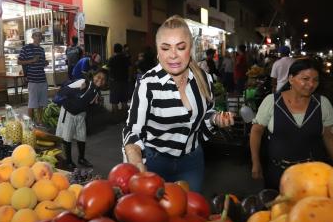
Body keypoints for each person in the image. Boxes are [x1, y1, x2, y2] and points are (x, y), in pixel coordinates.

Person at [122, 15, 234, 191]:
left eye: (180, 47)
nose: (173, 55)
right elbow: (132, 130)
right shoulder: (148, 84)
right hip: (154, 163)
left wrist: (215, 120)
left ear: (190, 49)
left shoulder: (204, 78)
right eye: (166, 48)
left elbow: (207, 113)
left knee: (188, 214)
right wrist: (135, 161)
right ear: (158, 51)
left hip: (192, 162)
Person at [249, 58, 333, 189]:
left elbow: (330, 135)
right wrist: (255, 162)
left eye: (315, 80)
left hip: (314, 176)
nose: (311, 84)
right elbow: (256, 131)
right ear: (291, 79)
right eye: (305, 79)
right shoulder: (272, 102)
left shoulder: (322, 104)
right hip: (278, 174)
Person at [56, 69, 108, 170]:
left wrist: (96, 105)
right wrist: (78, 90)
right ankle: (69, 161)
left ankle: (81, 158)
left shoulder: (96, 91)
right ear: (93, 76)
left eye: (103, 79)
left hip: (81, 114)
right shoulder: (81, 82)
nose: (100, 80)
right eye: (98, 77)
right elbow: (63, 91)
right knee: (67, 137)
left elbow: (89, 105)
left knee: (81, 136)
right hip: (69, 112)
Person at [18, 29, 48, 123]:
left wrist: (45, 63)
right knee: (32, 103)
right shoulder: (26, 48)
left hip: (42, 79)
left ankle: (40, 121)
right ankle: (30, 123)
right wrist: (32, 60)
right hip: (33, 80)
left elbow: (42, 63)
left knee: (41, 104)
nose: (38, 37)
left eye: (40, 36)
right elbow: (19, 61)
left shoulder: (42, 50)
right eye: (36, 35)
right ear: (32, 37)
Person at [107, 43, 130, 114]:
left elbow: (108, 69)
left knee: (114, 101)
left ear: (114, 50)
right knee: (124, 100)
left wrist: (109, 79)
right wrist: (129, 77)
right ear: (121, 49)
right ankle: (125, 117)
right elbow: (130, 68)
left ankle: (116, 117)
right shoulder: (126, 58)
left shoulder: (112, 59)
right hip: (125, 81)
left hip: (114, 82)